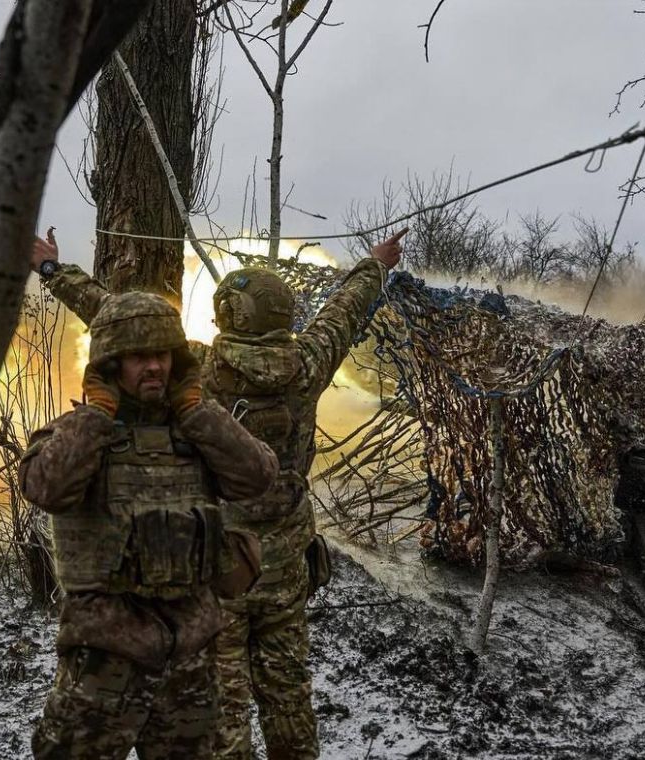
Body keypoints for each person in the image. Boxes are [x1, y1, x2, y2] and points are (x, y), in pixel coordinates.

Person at [30, 228, 404, 759]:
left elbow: (118, 318)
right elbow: (344, 309)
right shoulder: (310, 364)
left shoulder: (202, 369)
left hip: (220, 566)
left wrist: (52, 271)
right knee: (289, 695)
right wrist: (376, 265)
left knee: (225, 710)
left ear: (231, 315)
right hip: (287, 565)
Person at [19, 288, 277, 760]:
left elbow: (258, 476)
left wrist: (197, 410)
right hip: (105, 657)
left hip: (190, 656)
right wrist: (97, 415)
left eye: (160, 354)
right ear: (110, 365)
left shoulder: (197, 430)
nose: (153, 366)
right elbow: (44, 487)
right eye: (137, 357)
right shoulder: (81, 433)